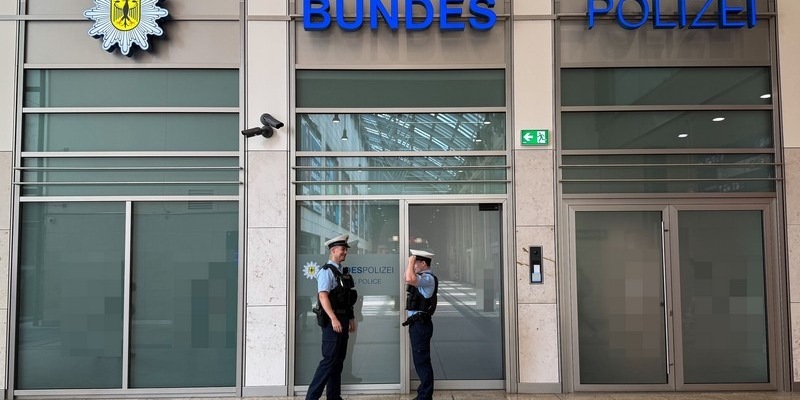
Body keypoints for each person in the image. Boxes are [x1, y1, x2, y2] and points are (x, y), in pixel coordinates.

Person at [306, 234, 358, 400]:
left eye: (345, 250)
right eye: (343, 249)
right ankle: (311, 397)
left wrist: (350, 318)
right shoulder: (326, 272)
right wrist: (334, 318)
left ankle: (334, 397)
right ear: (333, 250)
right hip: (332, 322)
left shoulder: (340, 272)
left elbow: (345, 299)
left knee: (338, 361)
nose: (345, 252)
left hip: (341, 319)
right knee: (329, 360)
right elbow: (323, 296)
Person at [403, 249, 438, 400]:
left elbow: (409, 278)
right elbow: (408, 277)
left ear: (423, 263)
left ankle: (425, 396)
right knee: (420, 360)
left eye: (416, 263)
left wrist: (411, 260)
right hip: (417, 324)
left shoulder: (428, 278)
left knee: (422, 361)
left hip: (421, 325)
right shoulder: (423, 278)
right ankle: (423, 394)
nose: (413, 266)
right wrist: (412, 261)